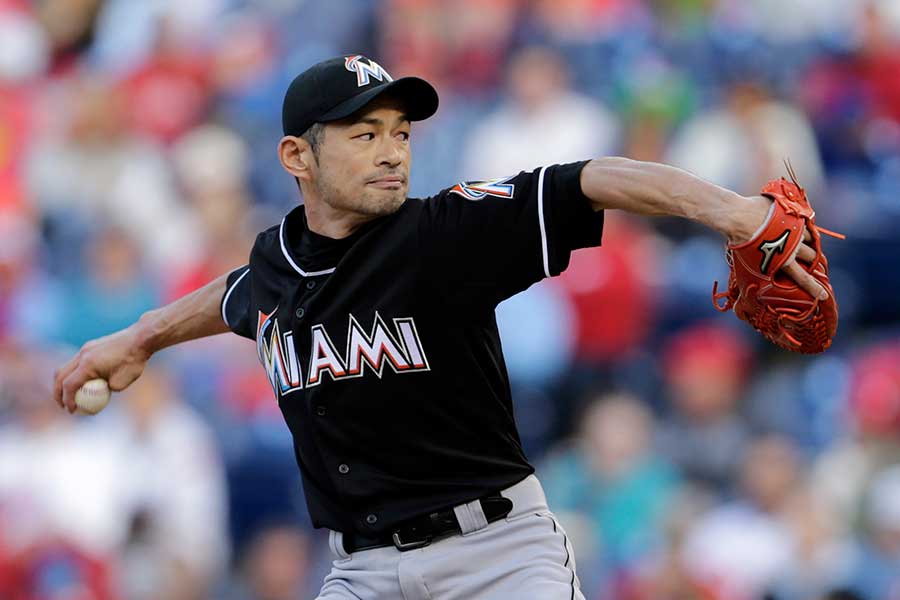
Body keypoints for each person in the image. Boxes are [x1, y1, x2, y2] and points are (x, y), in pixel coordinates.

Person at [53, 55, 829, 599]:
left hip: (496, 555)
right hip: (360, 573)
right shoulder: (277, 263)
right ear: (297, 155)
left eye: (401, 132)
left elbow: (588, 178)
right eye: (364, 135)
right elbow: (237, 295)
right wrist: (140, 337)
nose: (393, 152)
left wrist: (732, 211)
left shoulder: (445, 232)